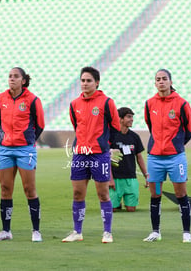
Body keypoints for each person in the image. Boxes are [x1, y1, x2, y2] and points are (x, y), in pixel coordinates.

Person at [62, 66, 120, 243]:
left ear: (97, 82)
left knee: (103, 193)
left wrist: (107, 146)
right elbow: (76, 127)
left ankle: (107, 232)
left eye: (89, 80)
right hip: (80, 154)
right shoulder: (74, 105)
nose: (85, 84)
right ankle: (77, 232)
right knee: (78, 193)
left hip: (99, 154)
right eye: (82, 80)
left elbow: (116, 128)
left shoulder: (106, 102)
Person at [0, 67, 45, 242]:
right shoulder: (0, 99)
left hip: (25, 149)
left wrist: (27, 140)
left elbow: (40, 124)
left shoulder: (33, 100)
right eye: (9, 76)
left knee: (29, 189)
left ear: (23, 80)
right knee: (5, 189)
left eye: (16, 76)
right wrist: (8, 137)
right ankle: (6, 231)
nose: (11, 79)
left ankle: (36, 231)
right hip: (6, 149)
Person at [143, 69, 191, 243]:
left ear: (171, 82)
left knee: (181, 194)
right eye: (158, 79)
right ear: (155, 83)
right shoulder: (150, 104)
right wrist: (159, 145)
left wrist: (176, 145)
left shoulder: (182, 104)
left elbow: (189, 130)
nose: (161, 82)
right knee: (155, 194)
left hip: (175, 158)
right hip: (155, 159)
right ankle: (155, 232)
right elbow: (151, 126)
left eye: (164, 79)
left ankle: (186, 232)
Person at [109, 107, 149, 212]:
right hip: (115, 178)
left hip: (131, 178)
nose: (132, 119)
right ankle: (117, 203)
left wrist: (146, 176)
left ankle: (121, 202)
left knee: (131, 209)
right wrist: (110, 178)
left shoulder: (134, 137)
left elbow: (139, 157)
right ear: (120, 119)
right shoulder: (111, 136)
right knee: (112, 209)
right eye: (129, 117)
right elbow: (105, 159)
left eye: (132, 117)